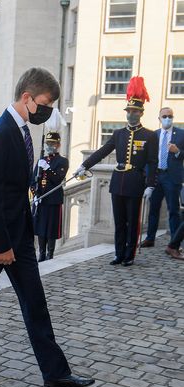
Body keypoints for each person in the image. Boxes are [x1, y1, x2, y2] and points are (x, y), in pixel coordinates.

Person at [0, 67, 95, 387]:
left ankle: (56, 374)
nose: (48, 111)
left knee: (35, 303)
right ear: (27, 98)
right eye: (46, 104)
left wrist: (21, 239)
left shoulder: (21, 130)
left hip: (19, 237)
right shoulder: (0, 133)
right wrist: (3, 246)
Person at [76, 76, 158, 266]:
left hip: (135, 182)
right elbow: (103, 151)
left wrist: (150, 185)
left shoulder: (149, 135)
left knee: (131, 222)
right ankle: (119, 253)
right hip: (118, 182)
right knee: (119, 222)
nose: (132, 115)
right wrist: (85, 165)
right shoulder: (118, 134)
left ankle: (129, 255)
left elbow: (153, 162)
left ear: (141, 113)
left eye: (135, 111)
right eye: (129, 111)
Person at [142, 107, 183, 247]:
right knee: (153, 208)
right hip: (156, 176)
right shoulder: (154, 135)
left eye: (170, 116)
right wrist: (148, 177)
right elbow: (148, 158)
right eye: (164, 116)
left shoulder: (181, 134)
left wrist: (177, 151)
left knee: (173, 210)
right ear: (159, 118)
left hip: (172, 177)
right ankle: (150, 238)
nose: (167, 118)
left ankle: (174, 242)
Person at [31, 129, 68, 261]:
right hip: (41, 199)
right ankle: (41, 254)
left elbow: (58, 179)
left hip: (53, 199)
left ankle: (50, 254)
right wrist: (35, 195)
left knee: (51, 228)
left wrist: (48, 168)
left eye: (52, 143)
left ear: (58, 145)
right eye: (48, 143)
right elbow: (33, 179)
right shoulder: (41, 160)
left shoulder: (62, 161)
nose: (49, 146)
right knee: (41, 228)